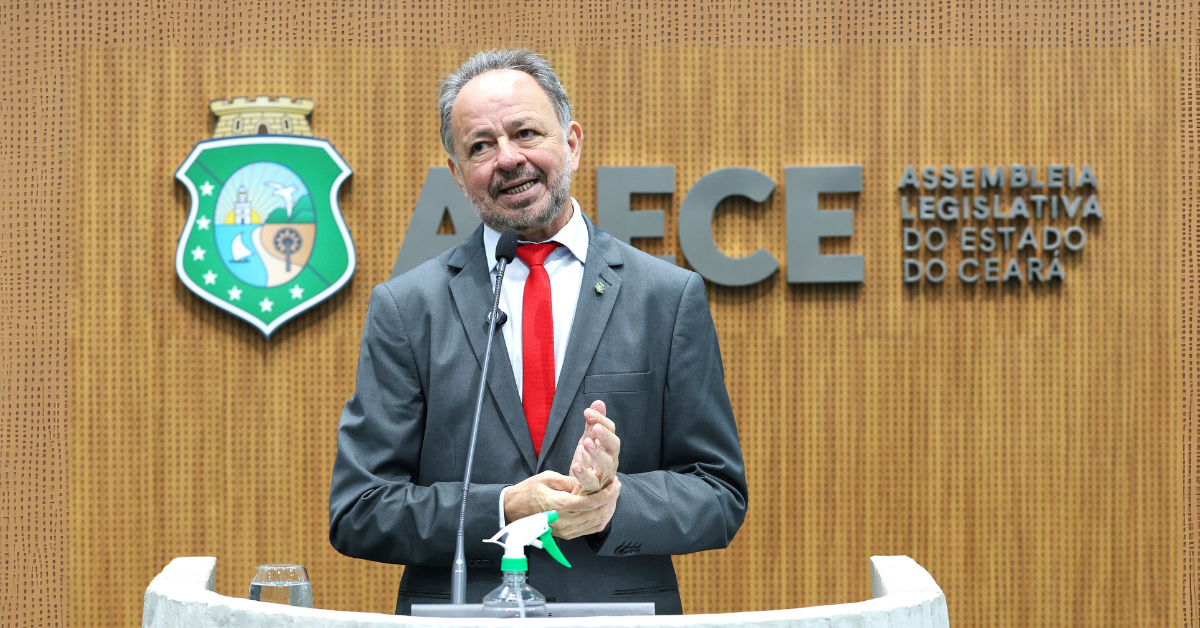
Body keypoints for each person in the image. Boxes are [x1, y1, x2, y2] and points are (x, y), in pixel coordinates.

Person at [328, 49, 747, 615]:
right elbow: (360, 510)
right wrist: (503, 508)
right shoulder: (407, 308)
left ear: (571, 142)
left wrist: (613, 504)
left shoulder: (666, 298)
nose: (507, 159)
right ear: (457, 173)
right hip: (461, 616)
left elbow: (719, 494)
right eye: (480, 146)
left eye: (526, 132)